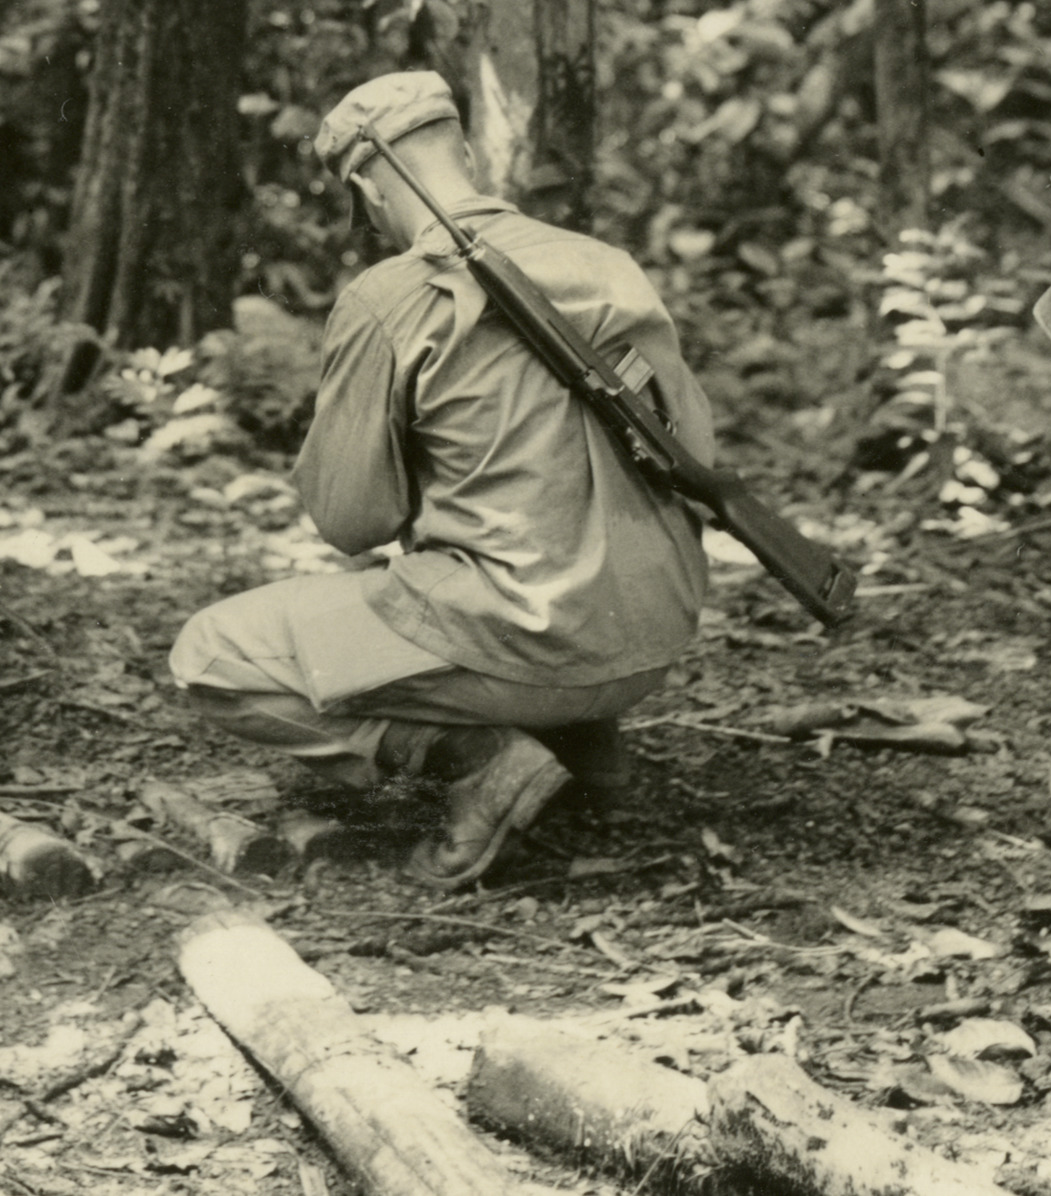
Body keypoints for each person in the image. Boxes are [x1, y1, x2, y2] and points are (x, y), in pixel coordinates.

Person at [165, 70, 718, 886]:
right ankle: (591, 755)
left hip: (527, 645)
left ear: (363, 187)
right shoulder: (610, 266)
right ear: (462, 151)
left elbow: (351, 521)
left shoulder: (391, 295)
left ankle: (481, 759)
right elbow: (693, 451)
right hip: (651, 642)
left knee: (209, 653)